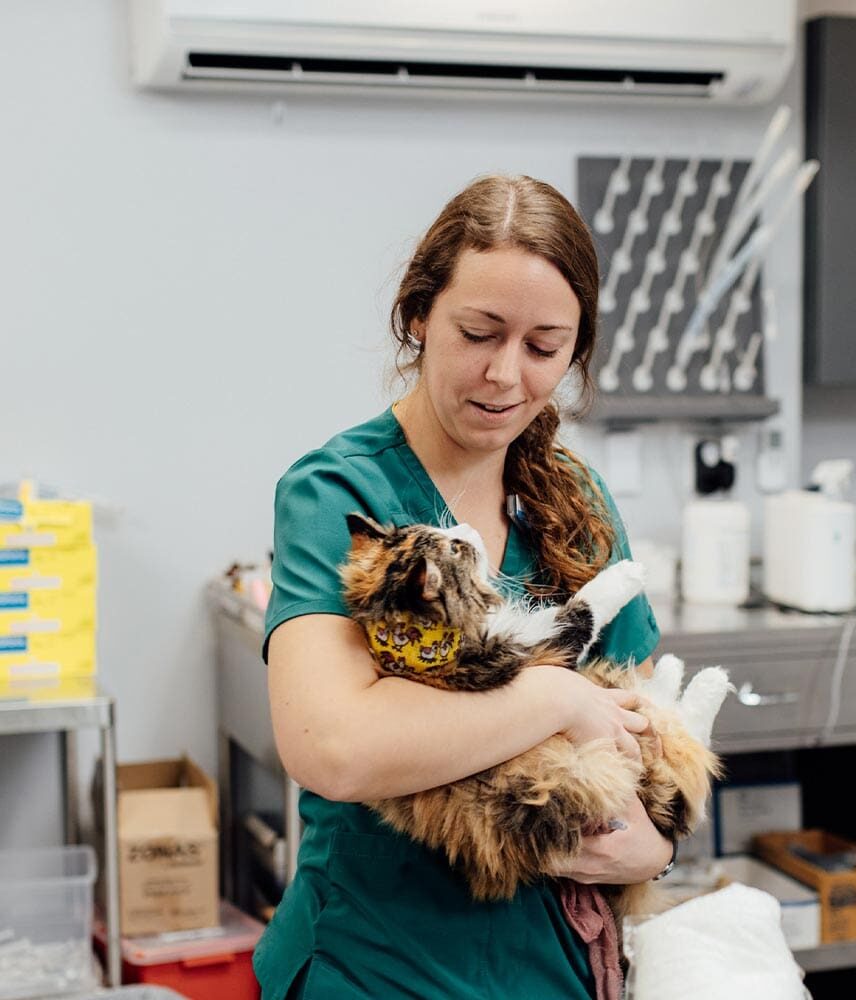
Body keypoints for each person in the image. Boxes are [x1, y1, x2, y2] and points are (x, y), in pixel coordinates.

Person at [253, 174, 673, 1000]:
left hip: (548, 969)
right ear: (418, 314)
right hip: (375, 965)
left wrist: (653, 850)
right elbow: (333, 747)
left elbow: (651, 742)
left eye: (544, 347)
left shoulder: (578, 505)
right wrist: (556, 700)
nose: (504, 375)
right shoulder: (339, 494)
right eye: (479, 332)